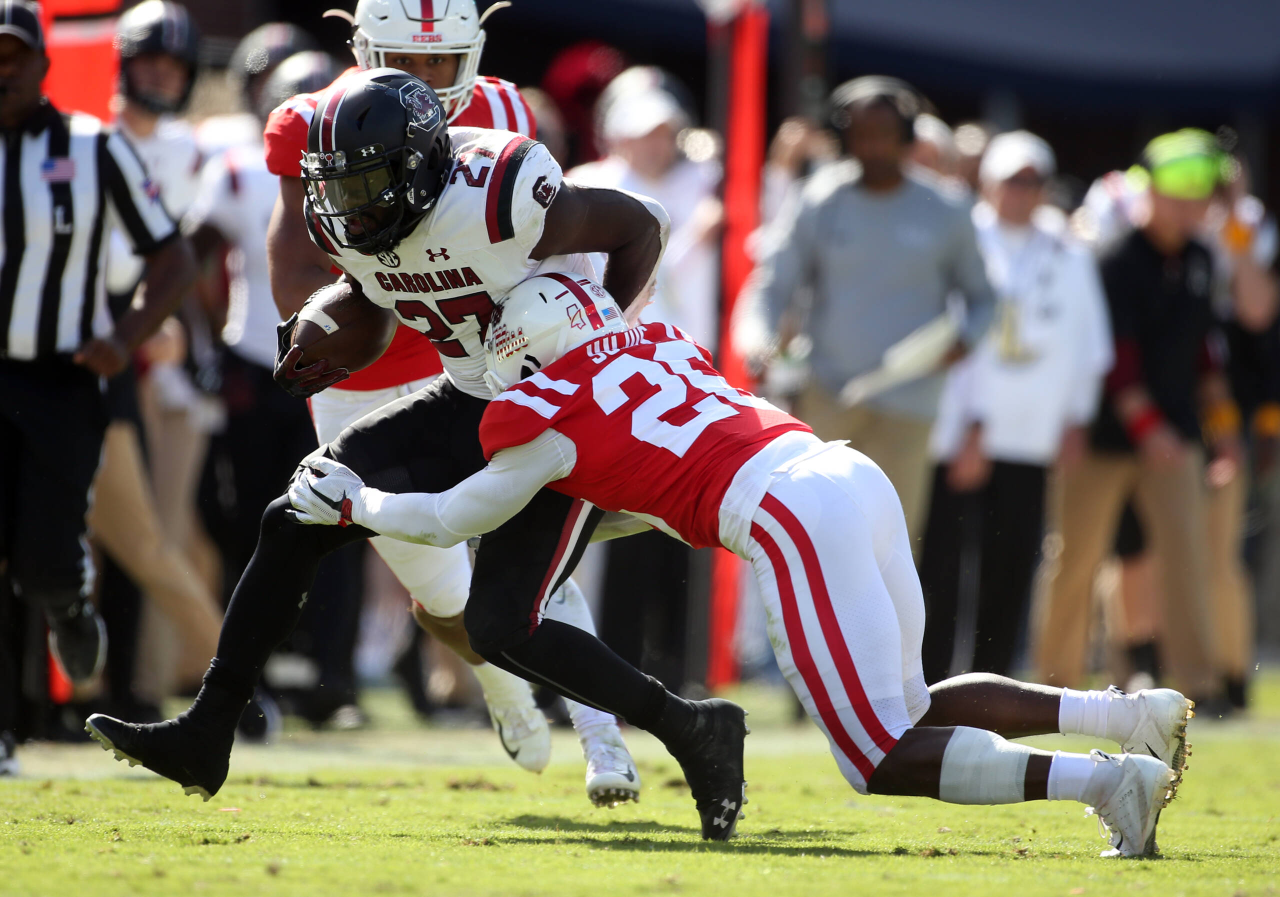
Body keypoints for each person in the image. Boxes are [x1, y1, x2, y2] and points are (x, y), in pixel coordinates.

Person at [287, 272, 1194, 857]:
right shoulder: (657, 342)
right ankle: (1126, 713)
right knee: (906, 706)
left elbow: (451, 519)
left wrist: (357, 503)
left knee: (875, 754)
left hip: (792, 515)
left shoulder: (545, 415)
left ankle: (1109, 781)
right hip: (846, 470)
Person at [85, 72, 746, 838]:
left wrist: (607, 356)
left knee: (501, 625)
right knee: (294, 514)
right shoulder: (345, 214)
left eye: (364, 181)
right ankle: (208, 730)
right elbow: (378, 293)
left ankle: (692, 727)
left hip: (559, 405)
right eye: (334, 183)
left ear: (420, 164)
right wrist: (332, 332)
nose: (345, 202)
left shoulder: (497, 190)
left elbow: (642, 225)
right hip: (468, 395)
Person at [259, 0, 634, 791]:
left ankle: (606, 740)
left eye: (440, 63)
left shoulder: (502, 109)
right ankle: (504, 691)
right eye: (403, 58)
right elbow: (295, 277)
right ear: (363, 49)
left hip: (478, 362)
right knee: (444, 591)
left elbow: (549, 249)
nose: (424, 81)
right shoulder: (314, 123)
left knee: (539, 558)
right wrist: (373, 309)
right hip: (370, 377)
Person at [0, 0, 195, 770]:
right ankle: (6, 728)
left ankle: (70, 602)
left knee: (44, 558)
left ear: (44, 64)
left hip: (61, 380)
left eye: (15, 54)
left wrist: (125, 337)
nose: (4, 69)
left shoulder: (91, 146)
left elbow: (173, 256)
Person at [738, 76, 995, 545]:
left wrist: (967, 339)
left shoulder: (947, 210)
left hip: (909, 405)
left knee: (889, 546)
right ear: (843, 137)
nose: (873, 145)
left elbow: (984, 298)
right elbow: (773, 285)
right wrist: (761, 341)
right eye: (861, 133)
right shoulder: (818, 197)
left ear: (908, 137)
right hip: (829, 398)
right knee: (817, 541)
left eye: (885, 133)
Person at [1034, 130, 1238, 703]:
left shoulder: (1202, 258)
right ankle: (1055, 685)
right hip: (1102, 438)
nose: (1190, 209)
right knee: (1075, 560)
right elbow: (1114, 359)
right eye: (1178, 197)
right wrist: (1149, 429)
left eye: (1200, 199)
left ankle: (1200, 687)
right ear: (1148, 194)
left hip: (1175, 437)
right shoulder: (1115, 260)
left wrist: (1222, 434)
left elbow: (1205, 356)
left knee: (1188, 559)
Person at [919, 132, 1112, 683]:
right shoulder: (962, 238)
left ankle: (992, 686)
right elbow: (950, 341)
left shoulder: (1067, 251)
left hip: (1031, 434)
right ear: (989, 182)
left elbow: (1087, 344)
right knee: (943, 566)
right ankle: (931, 685)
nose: (1022, 194)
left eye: (1033, 182)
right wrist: (968, 427)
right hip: (958, 434)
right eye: (1012, 181)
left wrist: (1077, 417)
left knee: (1010, 567)